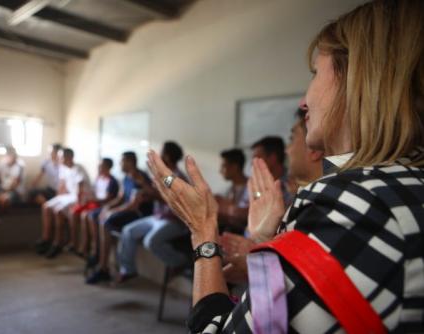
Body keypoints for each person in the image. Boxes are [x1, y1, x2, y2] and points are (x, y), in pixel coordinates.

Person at [146, 0, 424, 332]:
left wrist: (203, 232)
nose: (303, 101)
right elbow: (275, 319)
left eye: (316, 73)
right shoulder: (403, 184)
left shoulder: (346, 203)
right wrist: (269, 241)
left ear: (356, 80)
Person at [221, 109, 324, 284]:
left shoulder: (293, 188)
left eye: (292, 140)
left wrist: (257, 249)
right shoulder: (256, 184)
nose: (287, 150)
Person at [116, 141, 189, 283]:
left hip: (173, 220)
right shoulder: (165, 175)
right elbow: (158, 194)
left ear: (167, 157)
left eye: (161, 153)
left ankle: (180, 262)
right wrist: (145, 193)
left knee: (150, 241)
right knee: (128, 231)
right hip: (157, 217)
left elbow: (167, 199)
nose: (158, 156)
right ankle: (128, 270)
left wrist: (144, 185)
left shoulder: (174, 176)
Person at [86, 151, 154, 284]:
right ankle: (99, 256)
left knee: (107, 221)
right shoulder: (126, 177)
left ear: (130, 162)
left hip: (138, 214)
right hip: (129, 210)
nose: (119, 164)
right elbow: (120, 197)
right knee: (96, 215)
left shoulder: (140, 177)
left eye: (122, 161)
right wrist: (107, 207)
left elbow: (133, 205)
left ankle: (103, 267)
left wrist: (112, 211)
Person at [36, 148, 92, 258]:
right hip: (68, 196)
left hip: (79, 197)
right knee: (47, 206)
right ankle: (46, 238)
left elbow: (80, 191)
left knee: (58, 211)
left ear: (69, 157)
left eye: (61, 157)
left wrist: (78, 206)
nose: (59, 159)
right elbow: (62, 186)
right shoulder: (63, 168)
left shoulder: (78, 169)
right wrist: (56, 200)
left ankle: (58, 242)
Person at [72, 158, 119, 257]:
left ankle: (94, 247)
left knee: (88, 215)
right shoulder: (98, 178)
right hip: (95, 203)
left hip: (103, 205)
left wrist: (92, 200)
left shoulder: (112, 181)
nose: (99, 168)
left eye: (101, 166)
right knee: (77, 212)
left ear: (108, 167)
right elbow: (94, 192)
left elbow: (107, 199)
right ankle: (83, 245)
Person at [251, 136, 292, 206]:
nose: (252, 163)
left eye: (257, 158)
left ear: (272, 158)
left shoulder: (293, 183)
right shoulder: (257, 183)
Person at [216, 148, 249, 234]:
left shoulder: (253, 188)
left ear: (234, 167)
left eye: (223, 166)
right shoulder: (228, 190)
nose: (220, 171)